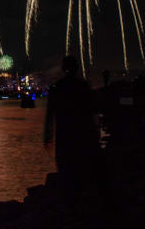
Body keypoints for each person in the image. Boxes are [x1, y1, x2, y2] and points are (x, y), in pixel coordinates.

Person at [44, 55, 100, 202]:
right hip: (83, 133)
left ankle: (69, 204)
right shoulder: (83, 86)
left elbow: (50, 115)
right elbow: (92, 110)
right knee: (81, 167)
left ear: (63, 69)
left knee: (65, 168)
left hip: (65, 134)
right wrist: (95, 133)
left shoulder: (57, 88)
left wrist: (48, 136)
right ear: (77, 68)